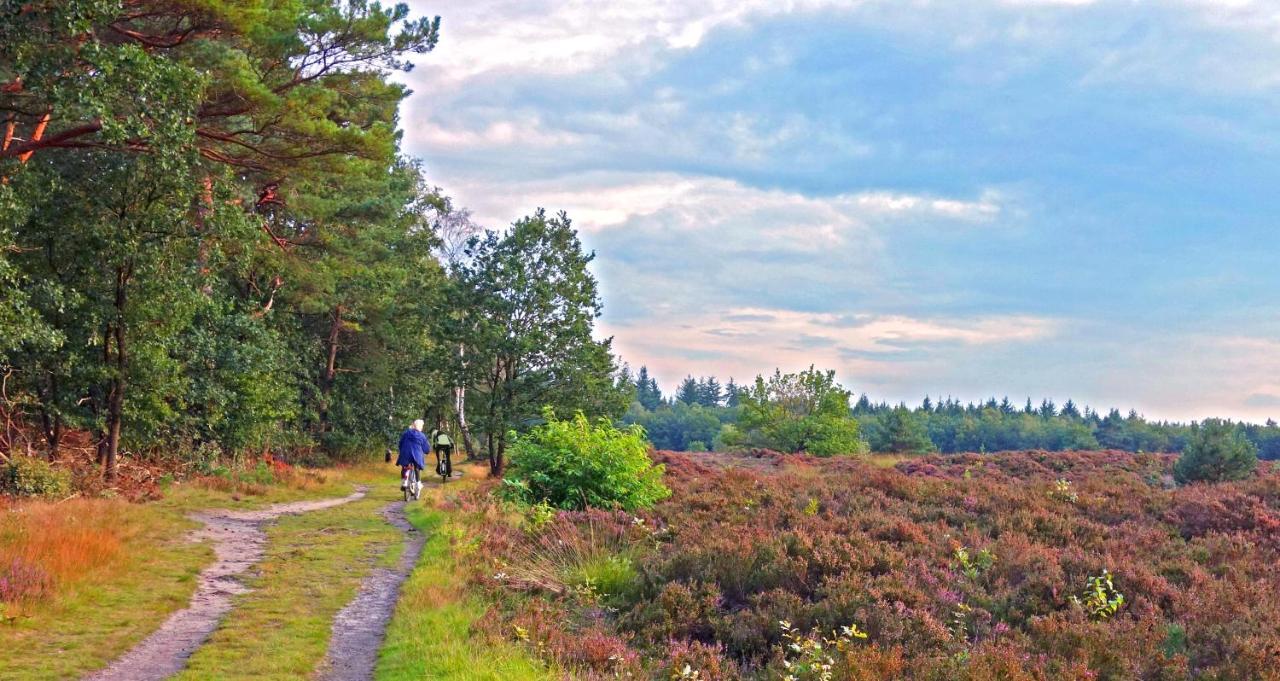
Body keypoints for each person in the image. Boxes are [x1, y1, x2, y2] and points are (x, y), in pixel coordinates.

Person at [396, 419, 429, 490]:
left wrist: (401, 449)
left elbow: (400, 443)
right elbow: (426, 447)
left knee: (405, 466)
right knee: (417, 467)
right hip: (416, 455)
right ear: (420, 427)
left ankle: (404, 481)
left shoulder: (406, 433)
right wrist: (426, 451)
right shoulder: (422, 435)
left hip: (405, 453)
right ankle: (418, 483)